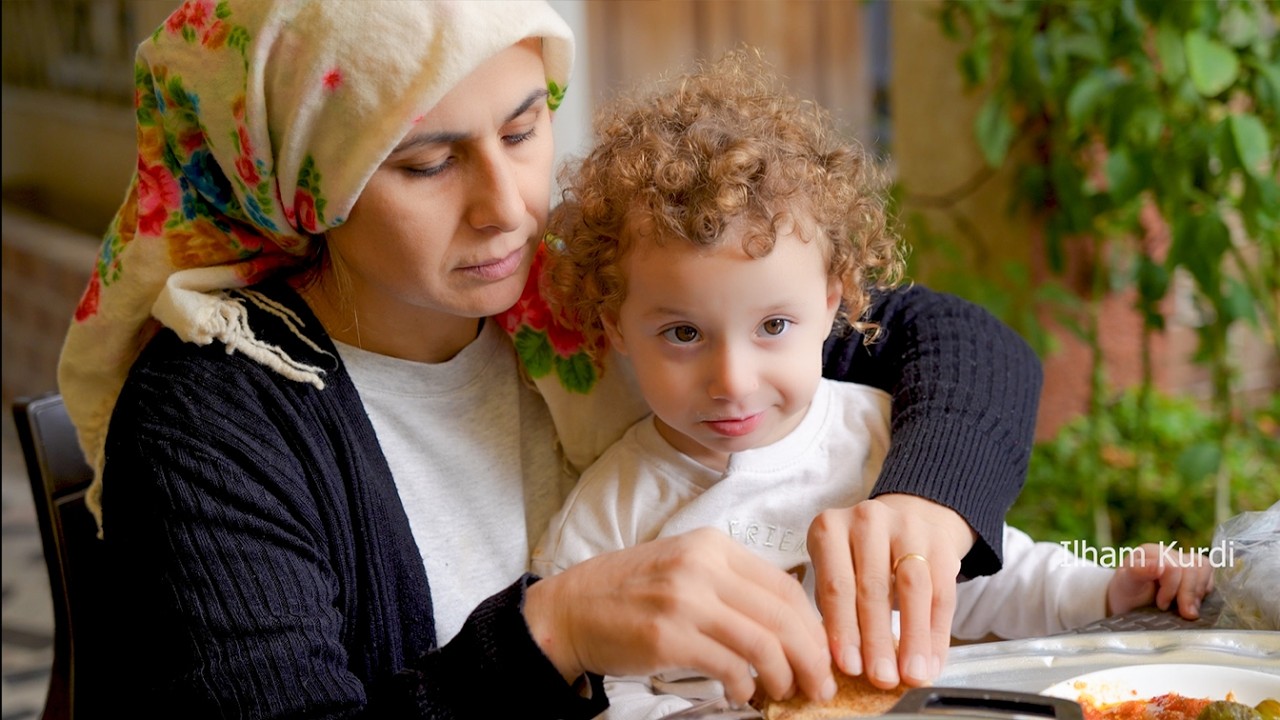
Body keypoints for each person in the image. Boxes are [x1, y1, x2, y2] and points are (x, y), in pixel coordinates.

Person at [56, 1, 1043, 717]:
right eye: (427, 162)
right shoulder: (212, 424)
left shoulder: (574, 299)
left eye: (523, 128)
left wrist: (931, 499)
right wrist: (551, 635)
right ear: (300, 185)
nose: (509, 206)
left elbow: (945, 337)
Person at [530, 50, 1215, 719]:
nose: (733, 381)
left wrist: (1110, 587)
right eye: (683, 334)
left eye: (773, 325)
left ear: (834, 303)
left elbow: (987, 581)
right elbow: (595, 691)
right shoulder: (607, 518)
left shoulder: (883, 440)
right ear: (615, 328)